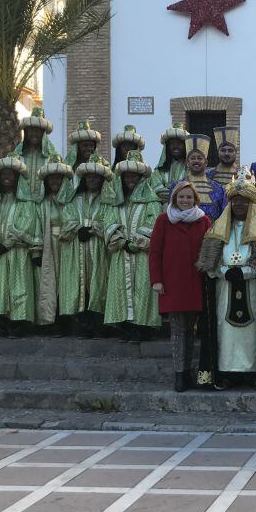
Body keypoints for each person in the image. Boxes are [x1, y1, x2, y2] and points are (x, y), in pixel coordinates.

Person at [196, 169, 256, 389]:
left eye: (244, 200)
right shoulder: (218, 229)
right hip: (225, 288)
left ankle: (254, 372)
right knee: (226, 332)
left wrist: (246, 272)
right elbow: (209, 264)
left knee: (254, 330)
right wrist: (224, 272)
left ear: (251, 203)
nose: (239, 204)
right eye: (235, 200)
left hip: (253, 288)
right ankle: (226, 373)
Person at [149, 183, 213, 391]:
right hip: (172, 283)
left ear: (195, 199)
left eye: (189, 197)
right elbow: (155, 252)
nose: (185, 200)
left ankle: (187, 371)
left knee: (191, 331)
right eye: (181, 197)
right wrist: (156, 280)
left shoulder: (203, 221)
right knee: (177, 330)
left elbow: (210, 250)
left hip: (195, 283)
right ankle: (179, 374)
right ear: (174, 199)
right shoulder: (163, 220)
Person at [104, 151, 161, 343]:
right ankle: (126, 327)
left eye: (133, 176)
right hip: (121, 252)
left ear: (140, 178)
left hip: (142, 254)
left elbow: (154, 223)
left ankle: (142, 328)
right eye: (127, 176)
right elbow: (109, 222)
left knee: (142, 289)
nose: (130, 180)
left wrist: (136, 242)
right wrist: (122, 241)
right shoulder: (116, 202)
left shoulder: (151, 200)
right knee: (121, 289)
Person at [59, 153, 114, 338]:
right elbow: (67, 219)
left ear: (101, 180)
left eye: (95, 177)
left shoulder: (108, 201)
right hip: (78, 249)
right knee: (80, 285)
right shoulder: (75, 199)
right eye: (88, 177)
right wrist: (78, 229)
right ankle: (83, 325)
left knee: (99, 284)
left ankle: (101, 326)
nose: (92, 180)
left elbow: (111, 221)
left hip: (99, 250)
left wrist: (92, 229)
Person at [0, 156, 39, 338]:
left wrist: (7, 243)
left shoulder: (26, 202)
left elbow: (26, 224)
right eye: (3, 174)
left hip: (17, 251)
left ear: (17, 178)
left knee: (19, 287)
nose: (7, 177)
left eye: (11, 174)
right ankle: (0, 323)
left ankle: (19, 324)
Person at [33, 155, 74, 333]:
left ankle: (66, 321)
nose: (54, 181)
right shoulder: (42, 203)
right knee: (49, 283)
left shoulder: (71, 201)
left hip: (68, 246)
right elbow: (37, 226)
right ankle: (49, 320)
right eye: (51, 179)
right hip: (49, 246)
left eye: (58, 178)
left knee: (67, 283)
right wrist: (36, 251)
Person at [175, 133, 226, 221]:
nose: (196, 161)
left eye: (199, 158)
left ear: (206, 163)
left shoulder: (218, 189)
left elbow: (223, 216)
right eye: (193, 158)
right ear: (187, 163)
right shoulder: (177, 186)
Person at [10, 107, 59, 188]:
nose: (34, 133)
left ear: (43, 134)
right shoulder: (18, 154)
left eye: (38, 131)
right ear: (26, 132)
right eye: (31, 130)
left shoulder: (51, 155)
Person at [152, 123, 189, 206]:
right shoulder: (158, 171)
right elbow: (158, 192)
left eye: (179, 143)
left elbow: (192, 190)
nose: (175, 146)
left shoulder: (190, 168)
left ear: (185, 146)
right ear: (167, 147)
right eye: (172, 144)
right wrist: (181, 192)